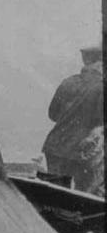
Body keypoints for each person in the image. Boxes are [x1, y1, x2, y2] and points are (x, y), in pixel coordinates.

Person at [42, 45, 104, 194]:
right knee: (86, 200)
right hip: (82, 151)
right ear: (101, 62)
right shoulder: (101, 86)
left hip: (55, 147)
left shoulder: (67, 82)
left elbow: (52, 115)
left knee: (54, 199)